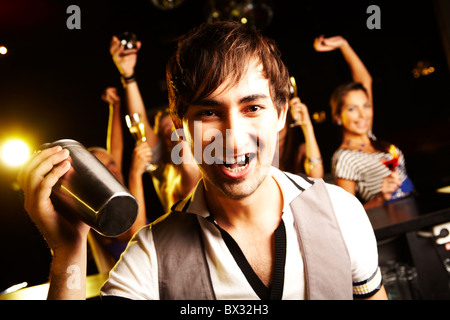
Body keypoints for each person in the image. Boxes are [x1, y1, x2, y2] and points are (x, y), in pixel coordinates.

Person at [17, 21, 387, 300]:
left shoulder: (341, 211)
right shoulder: (151, 254)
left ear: (280, 115)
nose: (233, 135)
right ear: (182, 126)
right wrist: (67, 251)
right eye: (209, 112)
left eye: (252, 107)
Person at [314, 35, 414, 210]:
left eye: (366, 106)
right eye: (352, 109)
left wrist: (343, 44)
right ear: (338, 116)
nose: (362, 115)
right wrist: (381, 198)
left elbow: (365, 82)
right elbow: (347, 213)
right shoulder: (344, 158)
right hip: (397, 228)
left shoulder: (369, 136)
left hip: (415, 210)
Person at [110, 35, 201, 212]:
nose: (170, 127)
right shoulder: (161, 165)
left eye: (173, 122)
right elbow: (140, 121)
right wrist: (128, 75)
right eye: (164, 128)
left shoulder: (208, 155)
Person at [87, 87, 152, 268]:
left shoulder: (118, 187)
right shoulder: (99, 215)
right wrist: (135, 173)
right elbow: (136, 233)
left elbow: (115, 146)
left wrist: (115, 106)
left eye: (112, 163)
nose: (111, 169)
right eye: (103, 168)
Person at [276, 95, 323, 178]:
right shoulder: (255, 153)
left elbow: (317, 176)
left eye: (279, 117)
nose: (276, 126)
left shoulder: (300, 151)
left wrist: (307, 125)